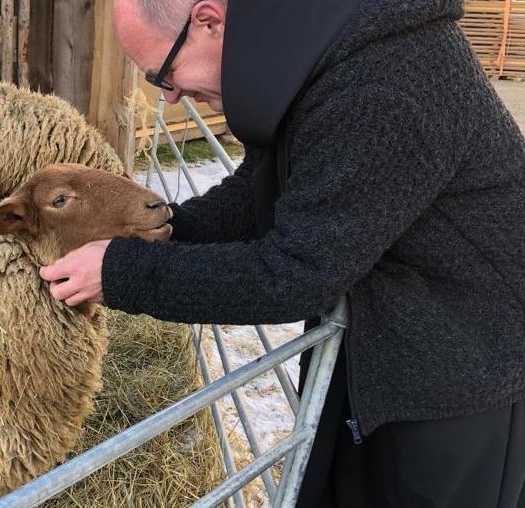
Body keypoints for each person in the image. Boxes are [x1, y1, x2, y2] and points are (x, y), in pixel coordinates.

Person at [38, 0, 525, 506]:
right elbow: (263, 191)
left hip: (456, 375)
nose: (173, 97)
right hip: (378, 344)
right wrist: (163, 229)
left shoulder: (382, 86)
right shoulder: (313, 61)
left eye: (163, 73)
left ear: (208, 21)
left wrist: (121, 272)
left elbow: (295, 272)